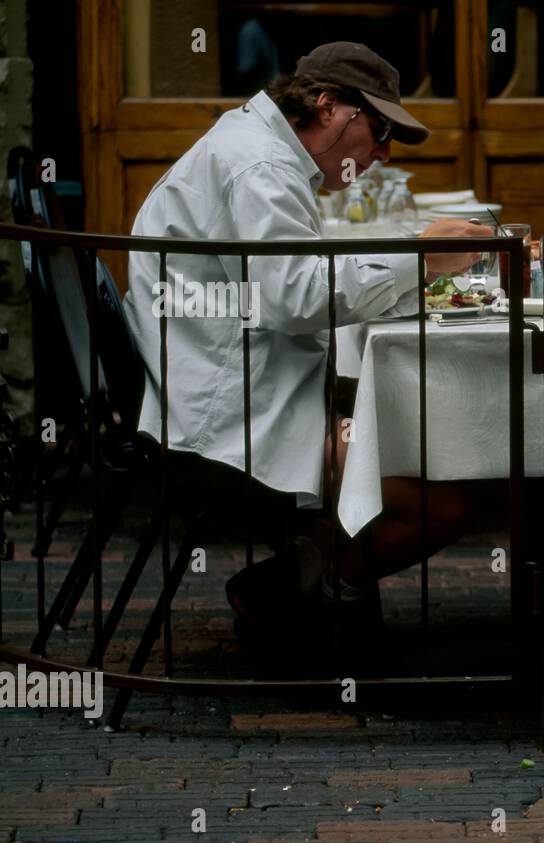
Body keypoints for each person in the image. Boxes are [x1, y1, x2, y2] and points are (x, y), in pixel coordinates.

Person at [122, 42, 495, 627]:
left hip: (233, 378)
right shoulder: (262, 167)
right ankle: (325, 600)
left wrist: (414, 264)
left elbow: (294, 288)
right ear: (327, 107)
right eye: (377, 128)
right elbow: (296, 298)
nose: (382, 151)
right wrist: (420, 258)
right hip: (228, 409)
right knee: (445, 500)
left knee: (426, 427)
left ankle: (296, 576)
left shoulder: (257, 145)